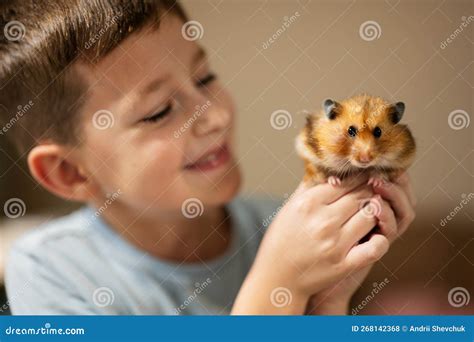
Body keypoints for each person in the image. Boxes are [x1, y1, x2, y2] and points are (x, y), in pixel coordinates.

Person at [1, 0, 416, 315]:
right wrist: (280, 283)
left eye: (205, 78)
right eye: (159, 111)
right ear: (70, 171)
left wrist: (328, 298)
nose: (215, 116)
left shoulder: (280, 222)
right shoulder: (46, 271)